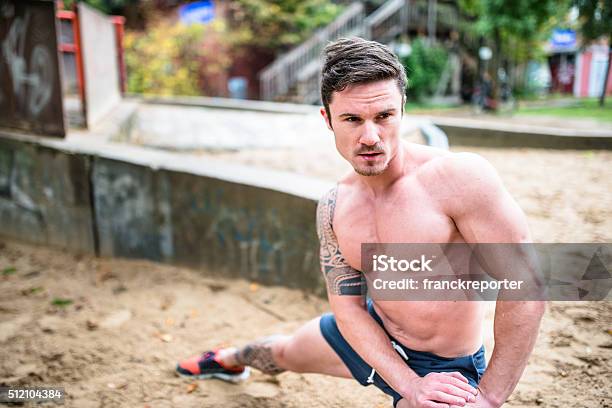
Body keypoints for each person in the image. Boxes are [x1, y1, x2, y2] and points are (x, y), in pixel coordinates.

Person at [176, 37, 545, 408]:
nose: (370, 138)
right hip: (370, 335)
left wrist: (491, 396)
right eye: (352, 119)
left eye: (384, 116)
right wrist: (406, 383)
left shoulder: (460, 179)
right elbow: (348, 308)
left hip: (445, 368)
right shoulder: (334, 206)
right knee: (285, 353)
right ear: (327, 119)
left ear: (402, 109)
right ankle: (230, 359)